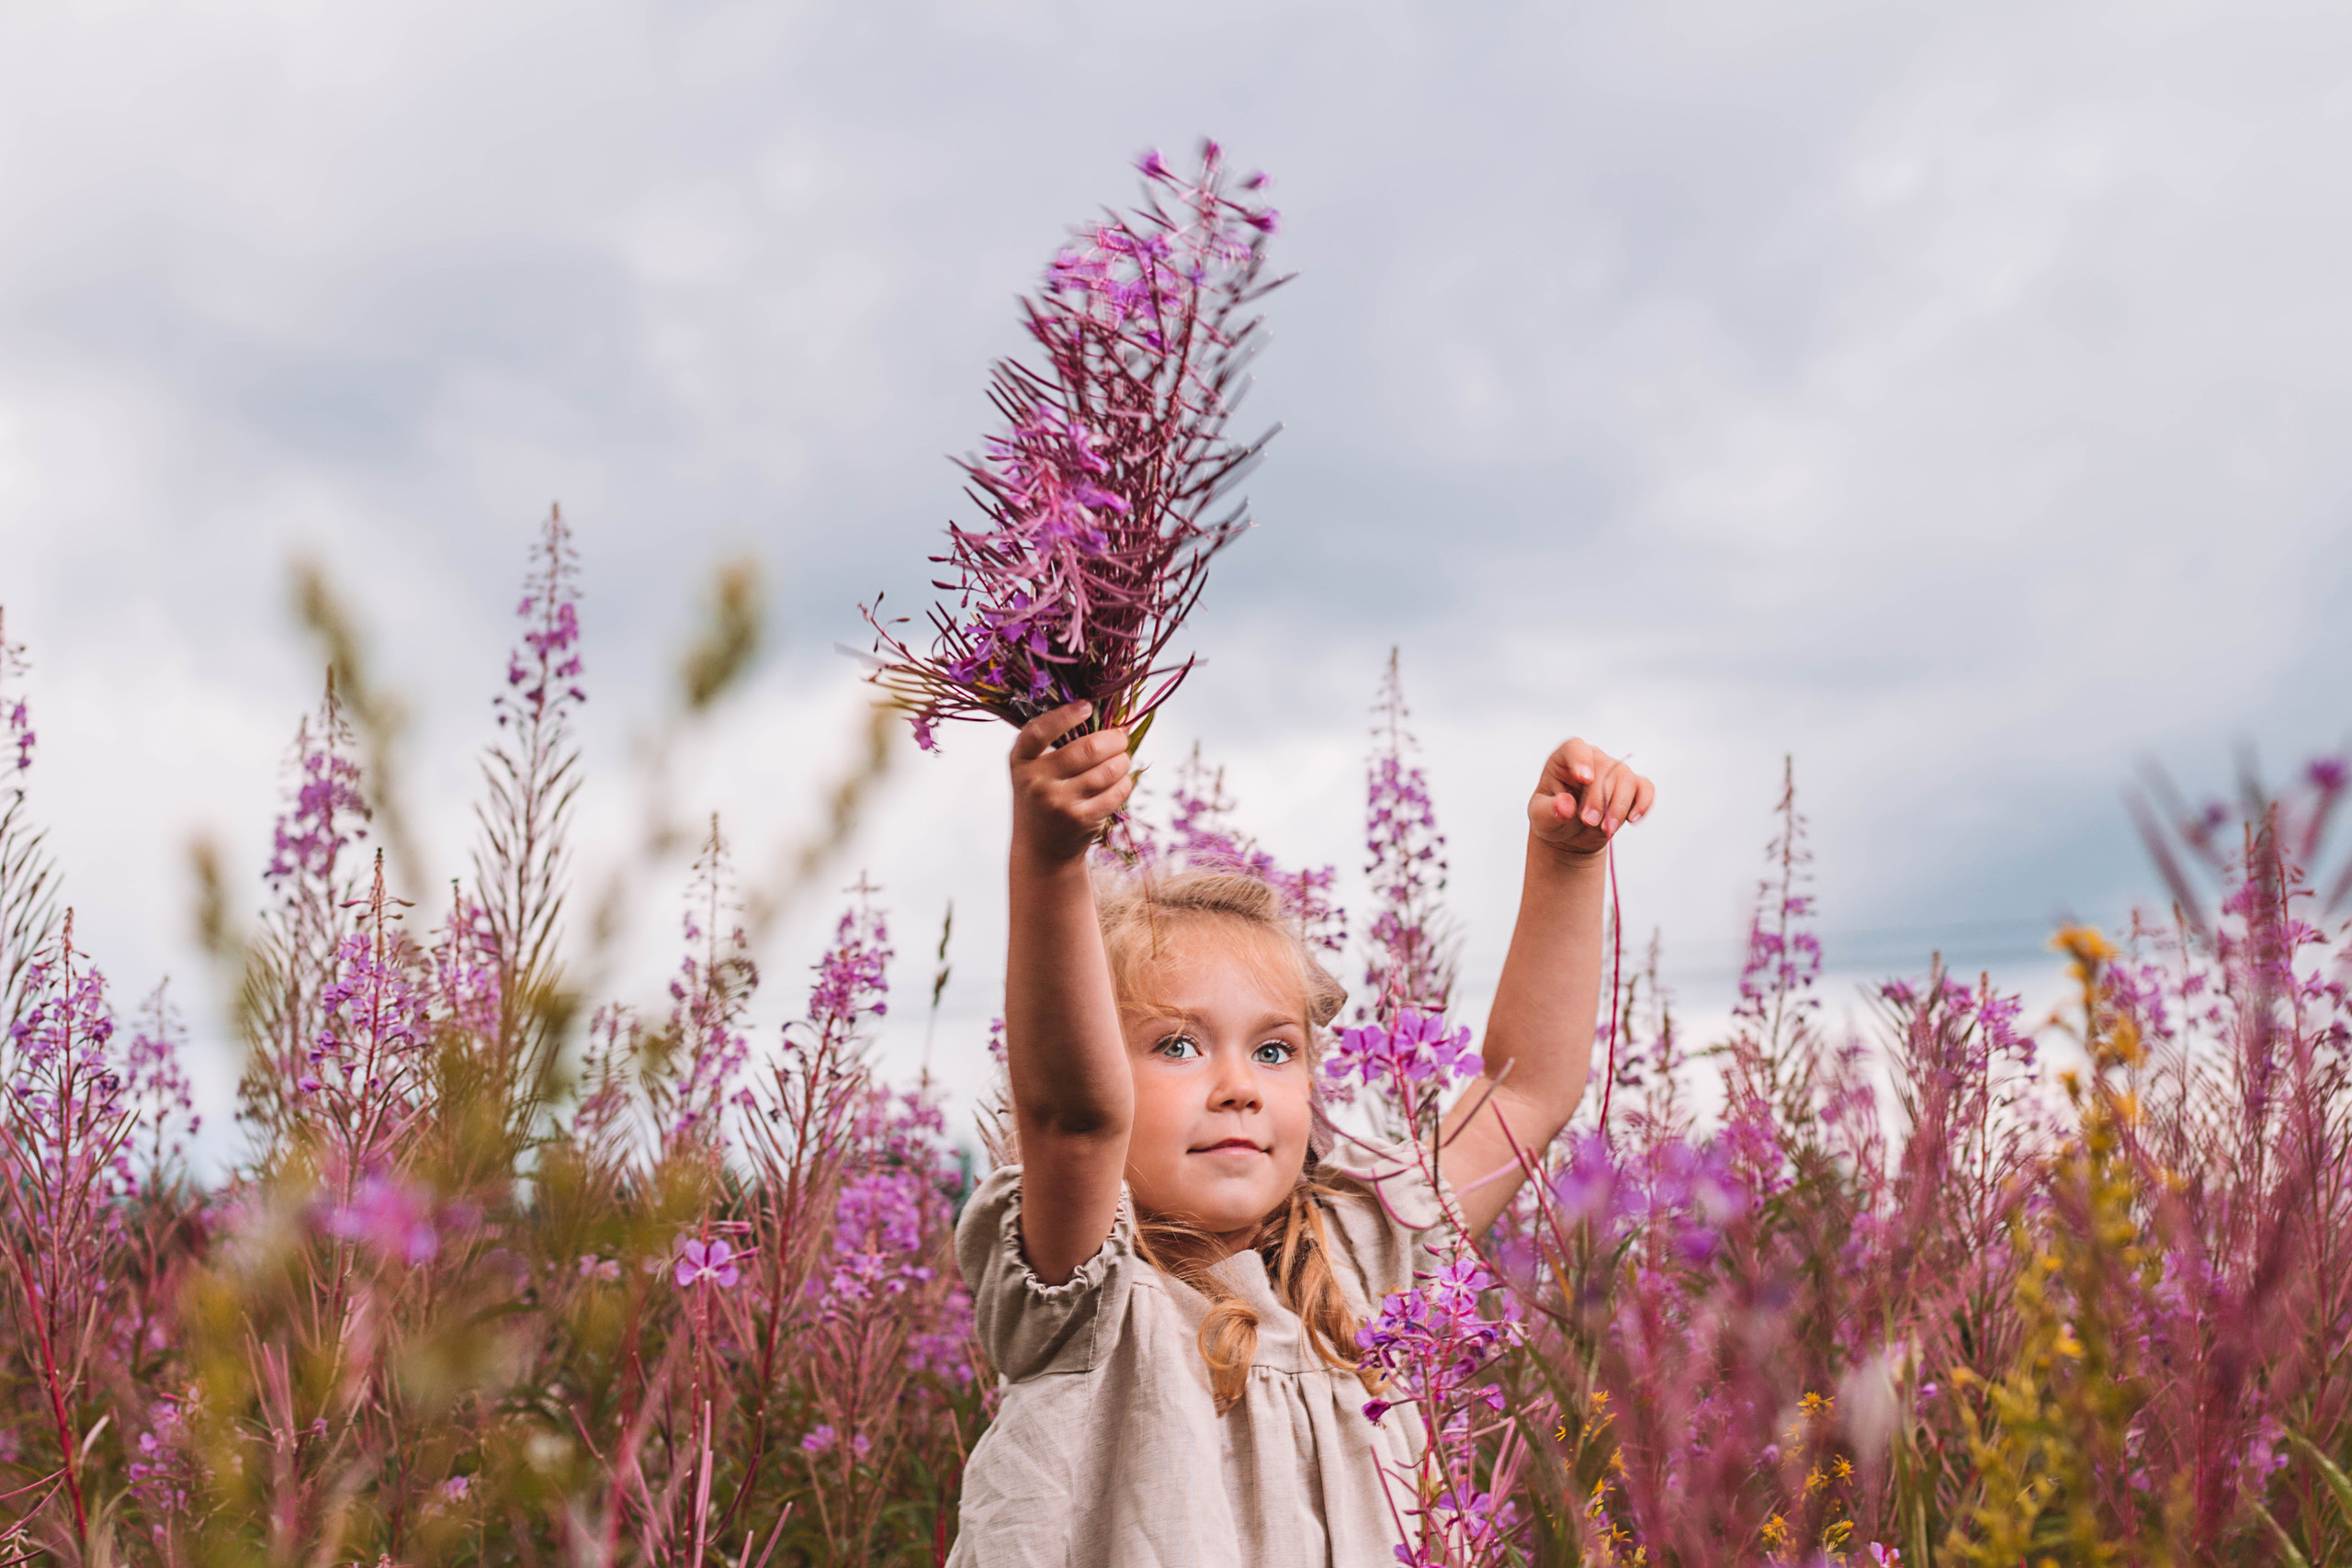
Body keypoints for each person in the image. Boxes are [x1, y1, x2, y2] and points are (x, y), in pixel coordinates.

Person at [947, 698, 1655, 1567]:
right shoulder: (1089, 1290)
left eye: (1276, 1049)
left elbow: (1529, 1093)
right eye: (1177, 1043)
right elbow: (1074, 1120)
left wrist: (1567, 858)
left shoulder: (1365, 1254)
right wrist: (1053, 863)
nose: (1239, 1085)